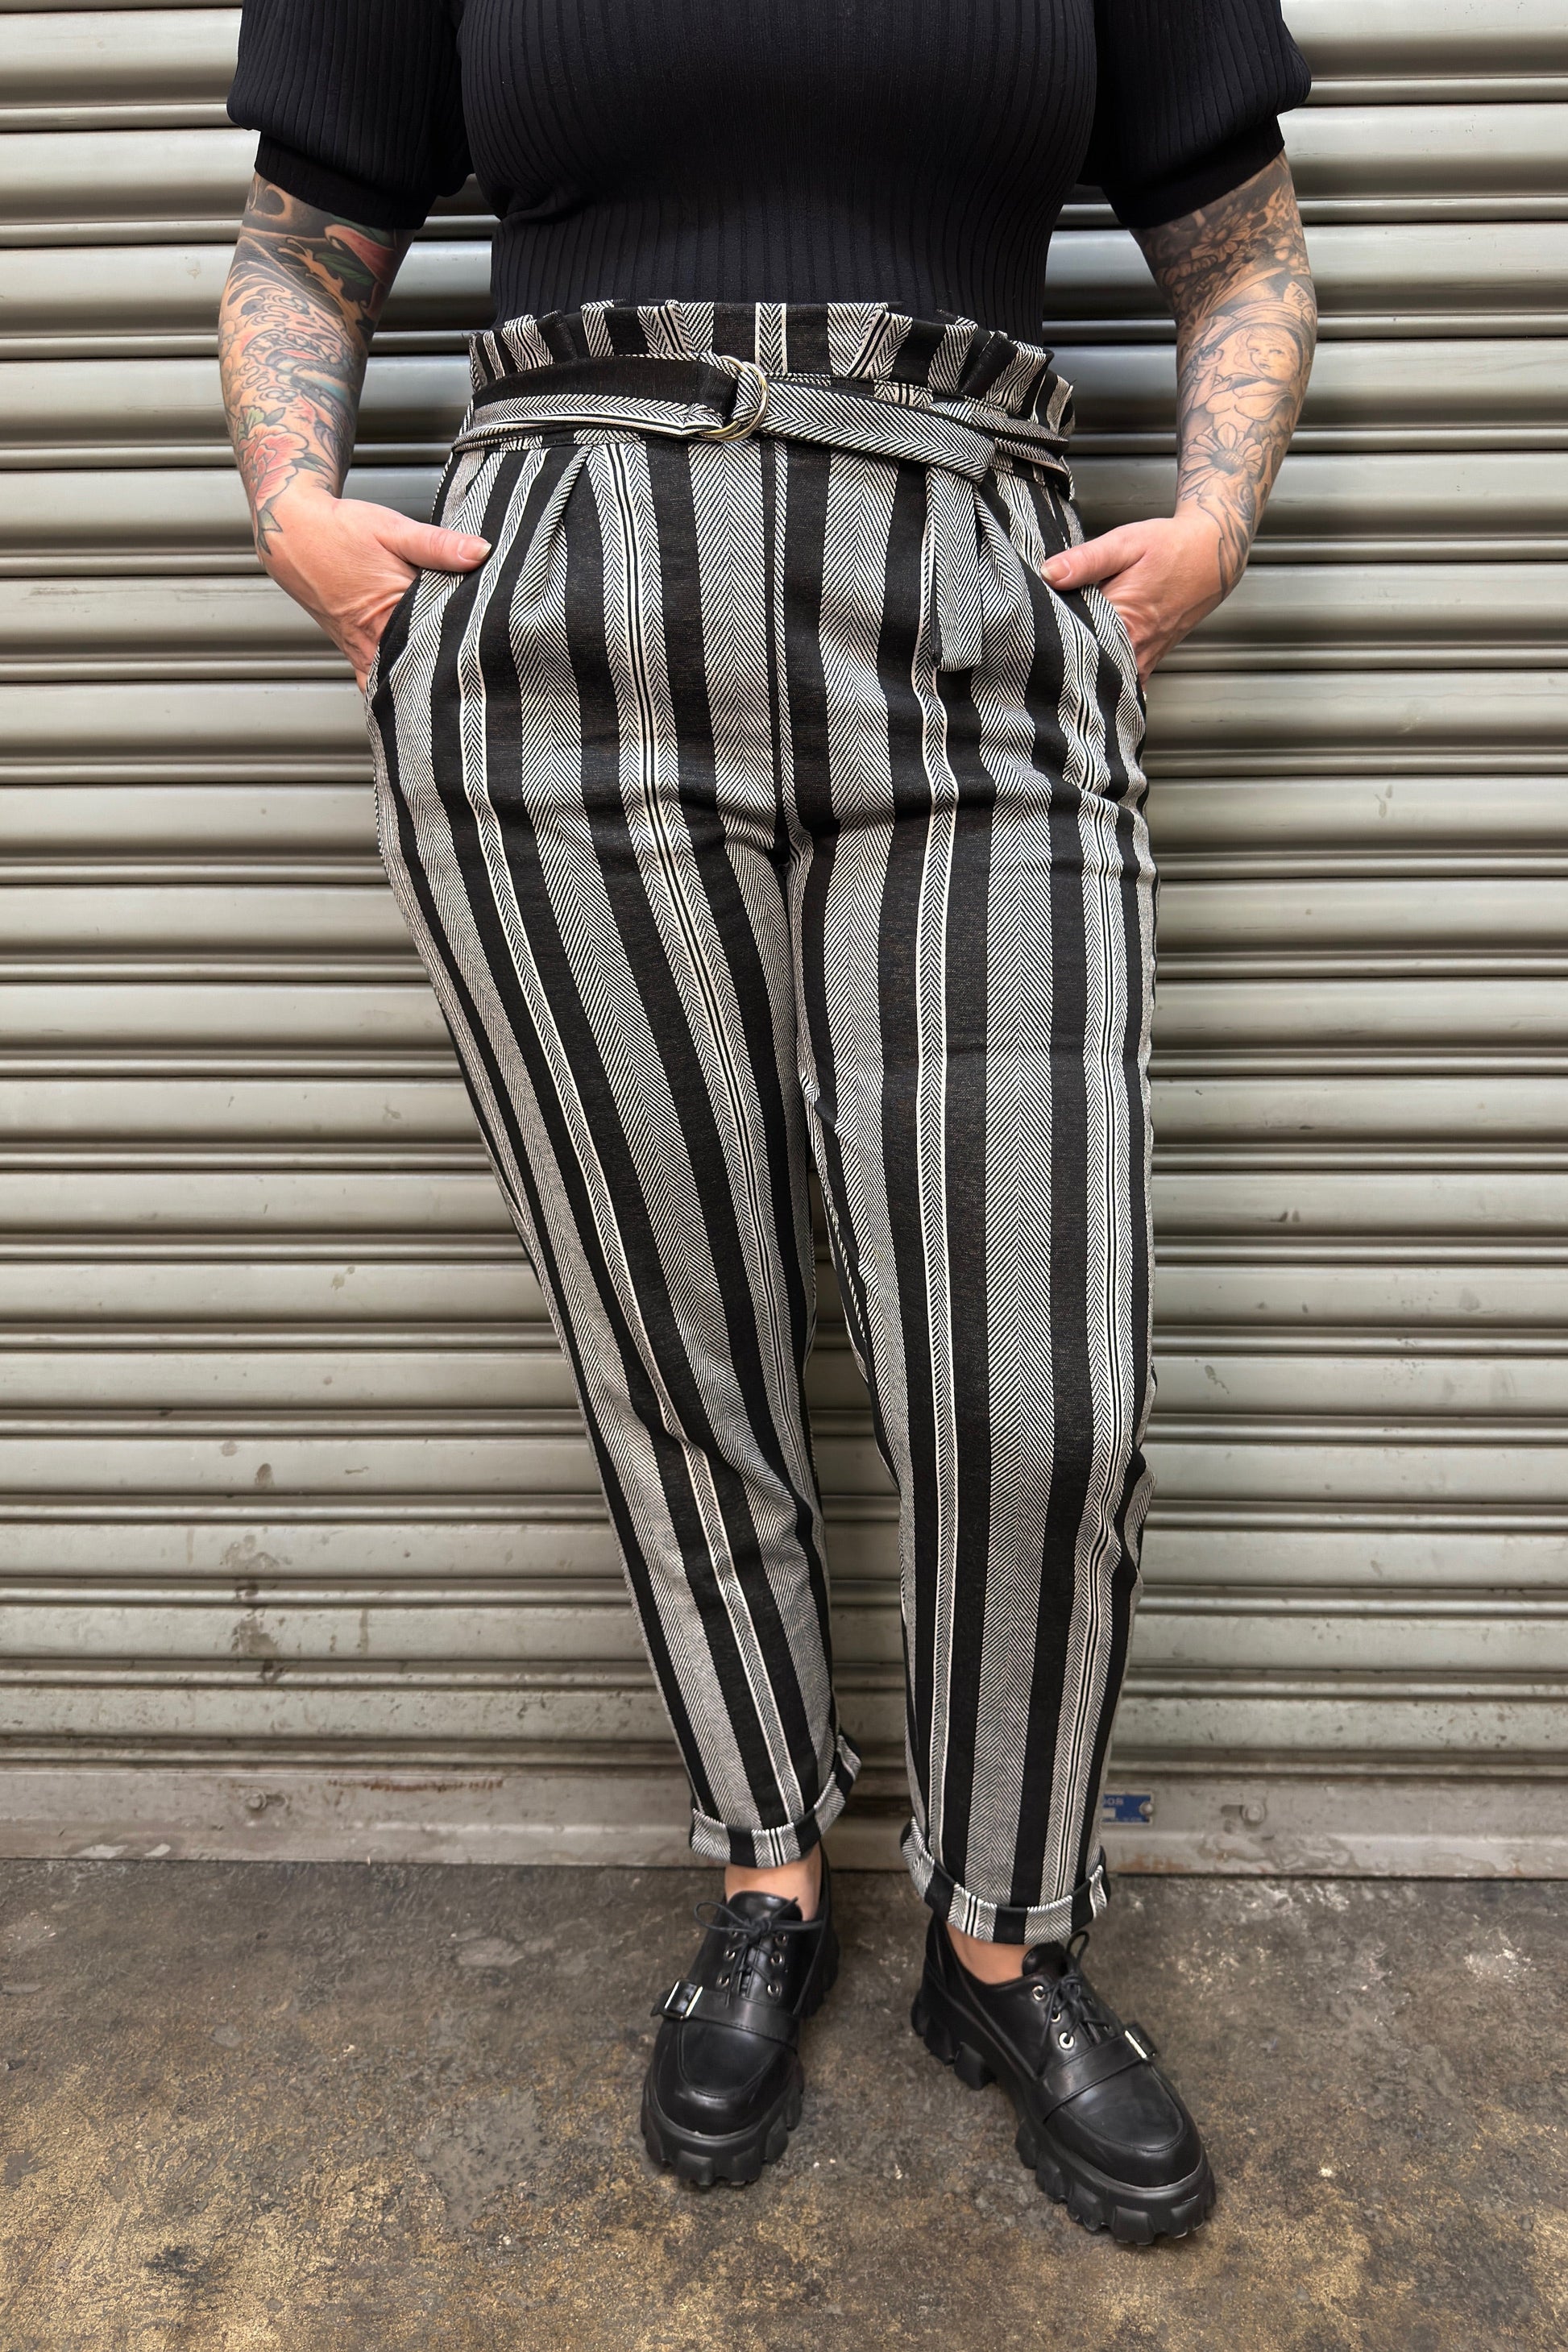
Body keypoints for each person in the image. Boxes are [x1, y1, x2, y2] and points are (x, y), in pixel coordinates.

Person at [221, 0, 1315, 2243]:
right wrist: (294, 512)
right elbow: (304, 233)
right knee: (668, 1325)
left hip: (968, 600)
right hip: (554, 613)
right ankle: (767, 1875)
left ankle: (1004, 1936)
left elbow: (1241, 244)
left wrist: (1214, 520)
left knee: (1041, 1389)